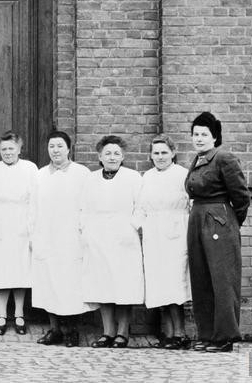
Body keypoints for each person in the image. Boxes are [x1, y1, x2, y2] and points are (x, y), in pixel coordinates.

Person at [185, 112, 250, 353]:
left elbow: (241, 197)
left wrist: (229, 223)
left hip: (218, 222)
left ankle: (224, 337)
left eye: (204, 134)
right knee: (201, 280)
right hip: (197, 220)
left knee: (222, 281)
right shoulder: (198, 159)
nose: (199, 138)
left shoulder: (224, 158)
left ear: (215, 137)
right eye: (195, 134)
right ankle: (207, 334)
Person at [30, 129, 95, 348]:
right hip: (46, 235)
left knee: (70, 283)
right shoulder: (39, 175)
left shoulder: (82, 173)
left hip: (71, 237)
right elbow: (33, 207)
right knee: (48, 280)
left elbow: (88, 206)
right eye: (51, 146)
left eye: (59, 146)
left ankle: (71, 330)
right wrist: (33, 234)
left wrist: (83, 232)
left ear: (68, 148)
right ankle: (54, 329)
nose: (55, 150)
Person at [81, 135, 144, 349]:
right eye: (107, 153)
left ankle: (123, 332)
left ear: (123, 156)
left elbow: (142, 207)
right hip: (98, 239)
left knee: (124, 286)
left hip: (124, 240)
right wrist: (86, 233)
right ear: (99, 156)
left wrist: (131, 227)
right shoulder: (90, 179)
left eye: (117, 153)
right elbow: (83, 208)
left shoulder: (133, 177)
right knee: (102, 284)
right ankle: (107, 331)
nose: (112, 157)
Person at [0, 131, 37, 336]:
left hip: (22, 223)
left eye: (11, 148)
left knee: (20, 270)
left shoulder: (30, 169)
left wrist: (33, 229)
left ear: (19, 149)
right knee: (1, 270)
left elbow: (36, 202)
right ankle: (1, 314)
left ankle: (19, 314)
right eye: (4, 149)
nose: (8, 152)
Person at [135, 134, 191, 349]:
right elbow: (140, 206)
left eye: (164, 153)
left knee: (175, 283)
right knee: (158, 283)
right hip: (153, 234)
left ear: (173, 153)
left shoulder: (183, 175)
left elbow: (191, 204)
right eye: (156, 153)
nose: (160, 157)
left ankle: (181, 334)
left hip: (177, 233)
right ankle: (167, 333)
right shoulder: (147, 177)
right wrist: (130, 228)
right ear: (150, 155)